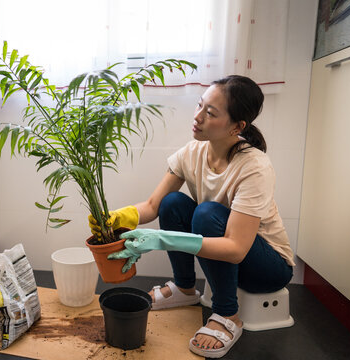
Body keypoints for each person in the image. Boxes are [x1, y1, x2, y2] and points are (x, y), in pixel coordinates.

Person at [88, 75, 294, 358]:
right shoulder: (192, 152)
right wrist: (114, 217)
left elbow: (235, 249)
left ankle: (227, 315)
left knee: (206, 213)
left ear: (237, 126)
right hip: (231, 251)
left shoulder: (254, 166)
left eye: (210, 113)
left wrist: (162, 240)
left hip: (268, 267)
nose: (197, 117)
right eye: (200, 106)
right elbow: (152, 205)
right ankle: (185, 288)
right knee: (172, 203)